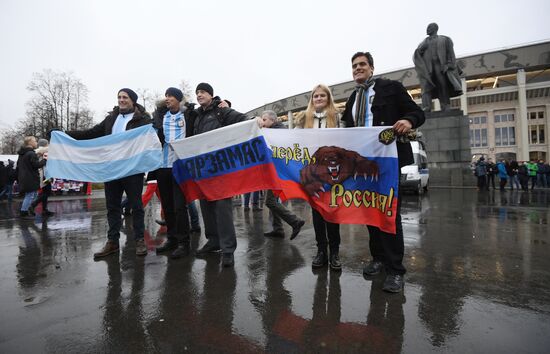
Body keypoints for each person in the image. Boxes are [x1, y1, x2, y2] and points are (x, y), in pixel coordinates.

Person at [342, 51, 426, 292]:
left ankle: (395, 270)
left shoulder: (390, 87)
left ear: (371, 68)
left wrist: (409, 121)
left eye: (362, 65)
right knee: (370, 211)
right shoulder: (352, 98)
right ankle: (378, 259)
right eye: (354, 65)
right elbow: (347, 128)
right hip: (362, 165)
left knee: (388, 212)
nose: (358, 68)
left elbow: (417, 113)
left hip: (388, 161)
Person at [65, 88, 151, 258]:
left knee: (136, 206)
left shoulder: (143, 120)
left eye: (125, 97)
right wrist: (64, 134)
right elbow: (91, 133)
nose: (121, 100)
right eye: (119, 97)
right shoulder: (111, 118)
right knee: (112, 207)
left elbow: (152, 137)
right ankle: (112, 242)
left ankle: (140, 240)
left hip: (132, 169)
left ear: (133, 100)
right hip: (111, 168)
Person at [188, 83, 250, 267]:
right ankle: (213, 241)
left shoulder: (222, 111)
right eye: (197, 93)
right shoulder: (197, 117)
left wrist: (256, 120)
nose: (199, 95)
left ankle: (228, 249)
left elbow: (244, 119)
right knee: (206, 206)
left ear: (211, 95)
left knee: (223, 208)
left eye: (203, 92)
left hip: (222, 167)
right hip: (204, 169)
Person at [296, 84, 342, 271]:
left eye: (323, 95)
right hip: (313, 173)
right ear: (312, 99)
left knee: (332, 213)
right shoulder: (303, 119)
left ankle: (335, 253)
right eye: (316, 96)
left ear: (328, 98)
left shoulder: (337, 117)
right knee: (317, 214)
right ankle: (321, 251)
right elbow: (293, 141)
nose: (319, 98)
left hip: (333, 172)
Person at [151, 87, 193, 259]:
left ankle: (184, 243)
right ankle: (172, 239)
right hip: (162, 166)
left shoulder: (189, 115)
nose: (167, 98)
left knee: (179, 207)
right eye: (166, 96)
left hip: (180, 166)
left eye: (171, 96)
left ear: (178, 99)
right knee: (167, 206)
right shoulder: (160, 117)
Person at [259, 110, 305, 240]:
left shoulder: (277, 133)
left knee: (270, 201)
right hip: (276, 172)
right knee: (274, 201)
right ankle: (277, 229)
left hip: (278, 173)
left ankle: (295, 221)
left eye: (264, 120)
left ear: (272, 121)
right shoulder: (275, 131)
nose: (262, 122)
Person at [413, 23, 462, 112]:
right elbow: (416, 55)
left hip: (441, 66)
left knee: (442, 86)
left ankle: (445, 105)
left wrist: (449, 65)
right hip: (428, 68)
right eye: (427, 28)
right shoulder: (424, 42)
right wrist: (419, 50)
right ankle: (426, 107)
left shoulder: (445, 40)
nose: (427, 29)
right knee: (426, 87)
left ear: (435, 29)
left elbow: (451, 55)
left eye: (429, 28)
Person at [16, 136, 46, 219]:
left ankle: (28, 209)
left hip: (24, 177)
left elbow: (18, 167)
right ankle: (24, 212)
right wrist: (44, 160)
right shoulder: (31, 153)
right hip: (31, 177)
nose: (36, 143)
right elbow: (36, 165)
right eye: (35, 141)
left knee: (33, 194)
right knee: (30, 195)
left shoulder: (22, 154)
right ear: (30, 143)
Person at [29, 138, 54, 217]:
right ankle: (34, 204)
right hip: (45, 175)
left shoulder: (37, 152)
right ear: (45, 144)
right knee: (47, 192)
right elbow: (47, 163)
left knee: (45, 192)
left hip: (41, 174)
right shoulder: (46, 152)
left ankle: (44, 210)